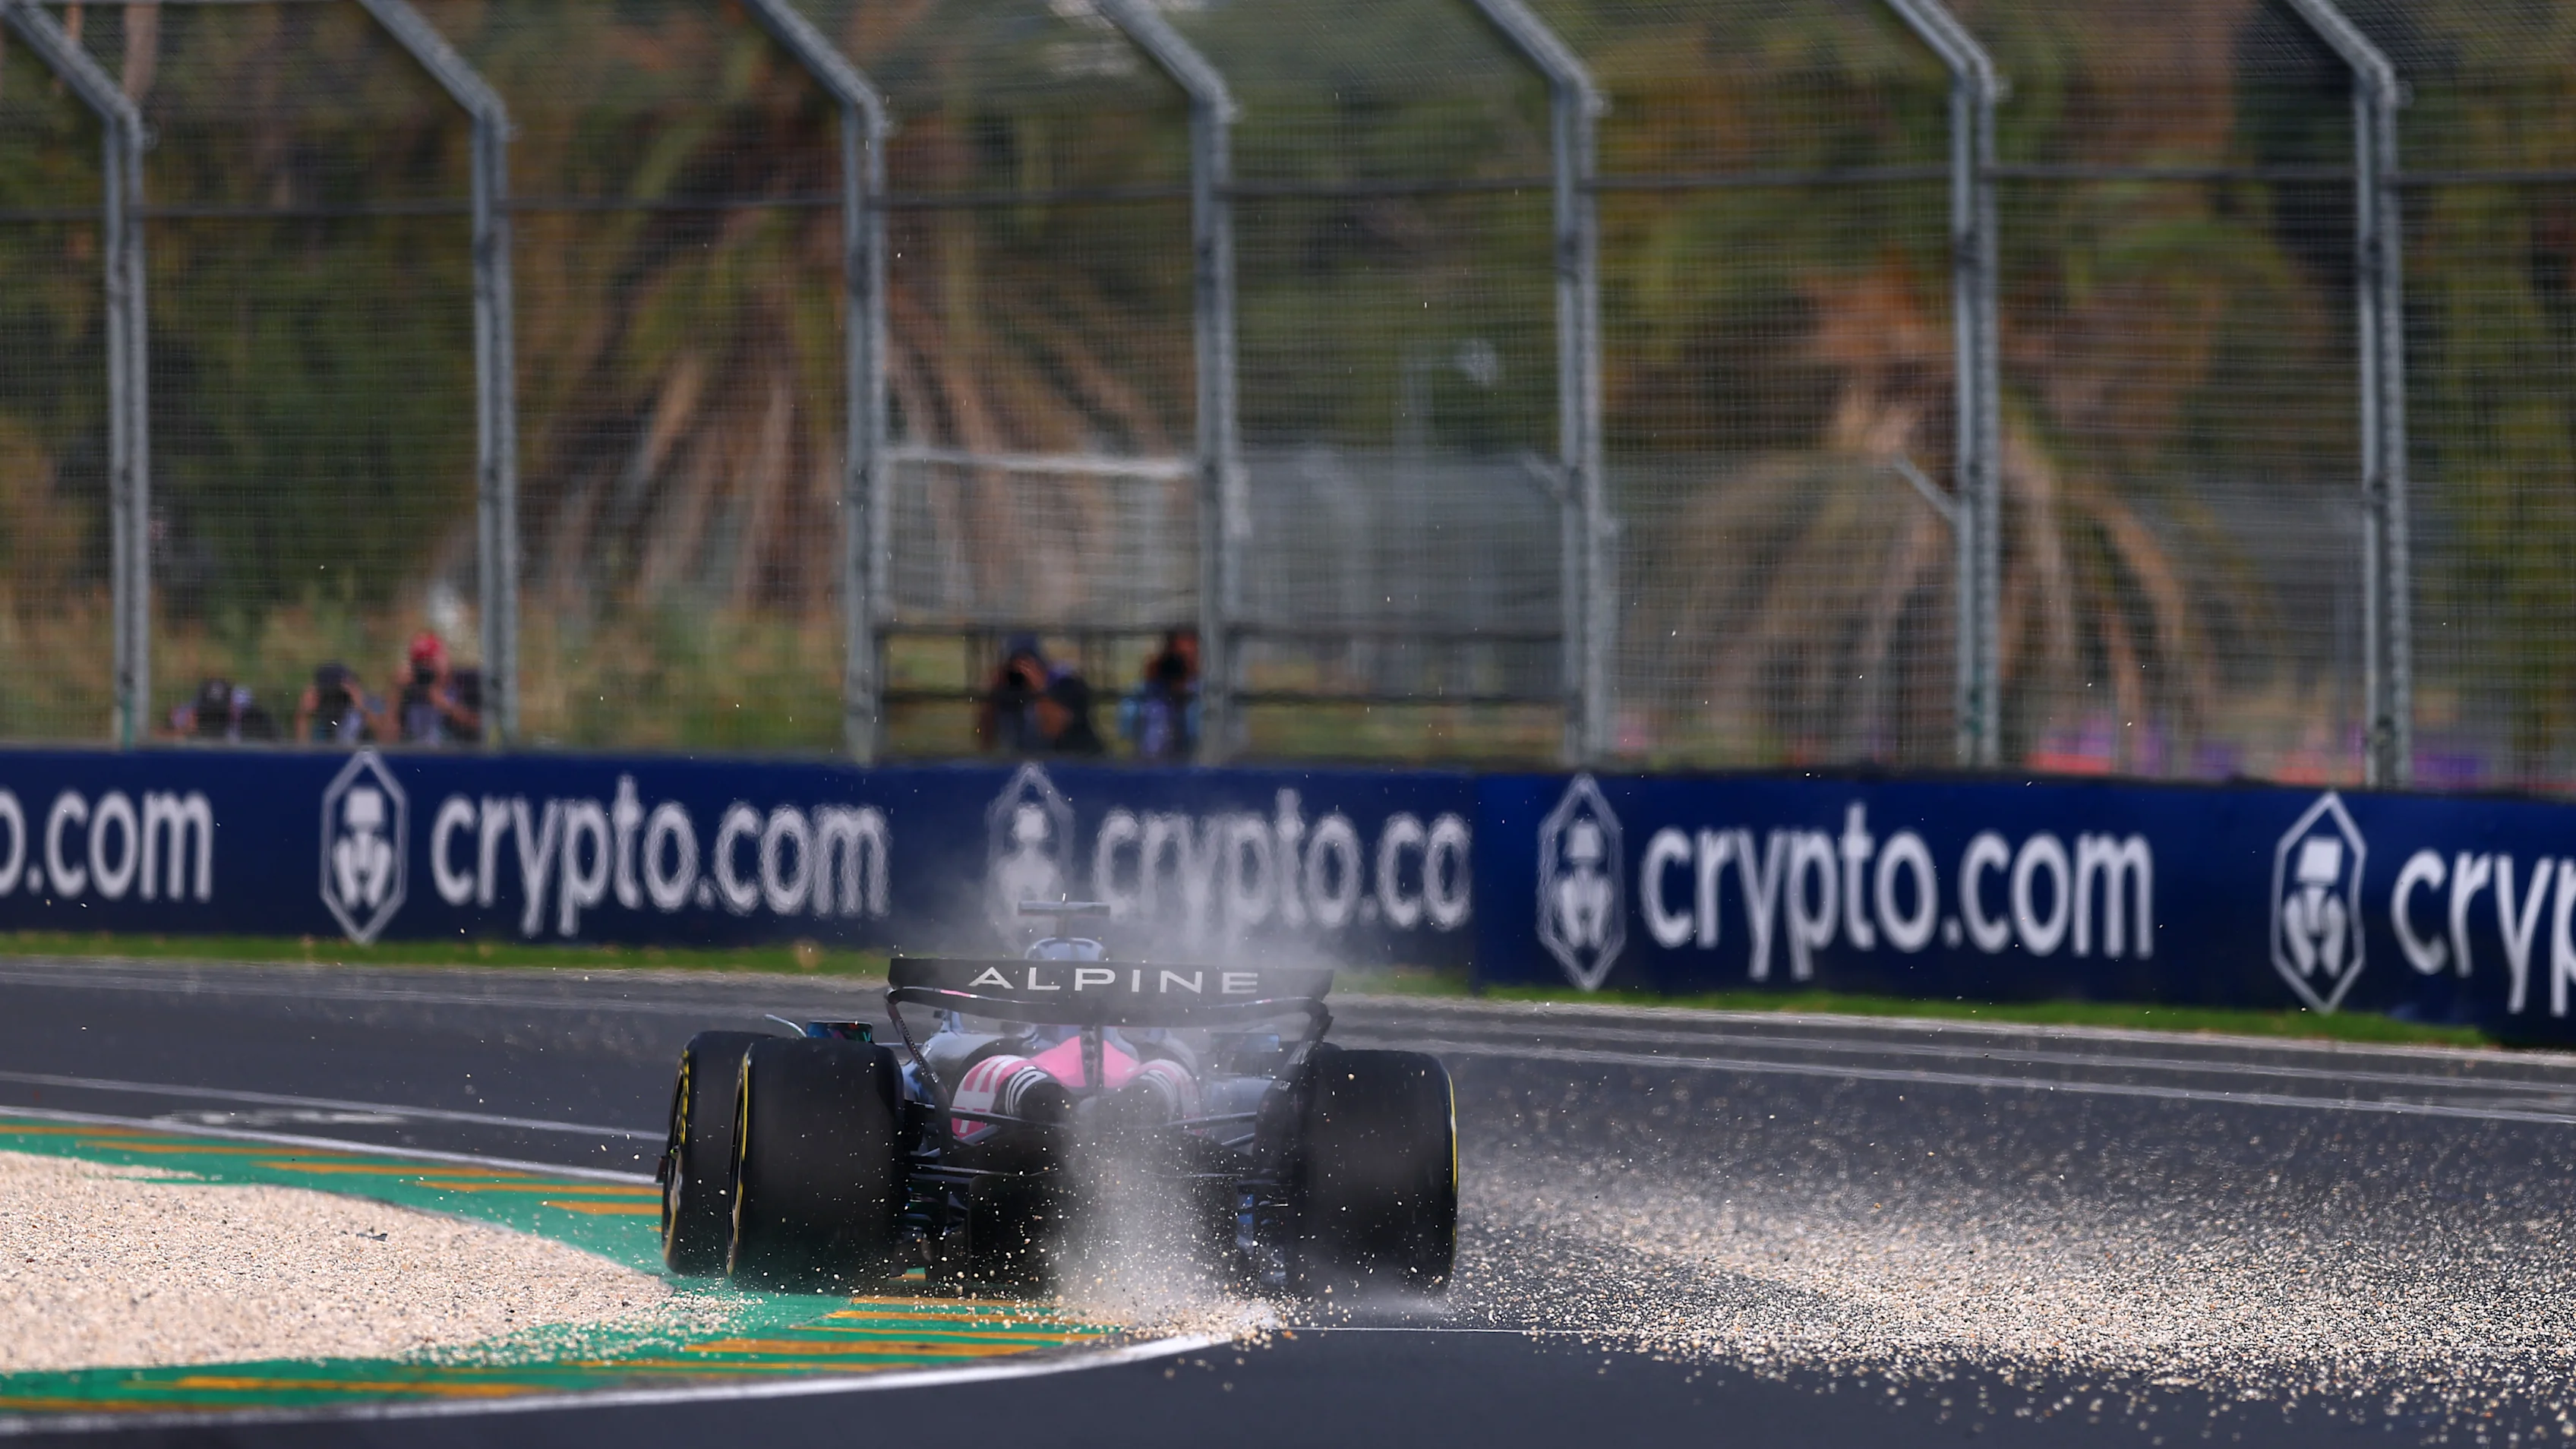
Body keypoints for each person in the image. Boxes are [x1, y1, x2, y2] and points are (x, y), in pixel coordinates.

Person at [1119, 627, 1200, 762]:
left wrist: (1183, 695)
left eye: (1191, 656)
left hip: (1194, 762)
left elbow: (1200, 733)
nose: (1183, 664)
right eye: (1180, 657)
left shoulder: (1206, 693)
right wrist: (1151, 681)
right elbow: (1127, 726)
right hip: (1149, 762)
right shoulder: (1147, 691)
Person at [396, 631, 481, 746]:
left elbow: (485, 727)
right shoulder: (411, 690)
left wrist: (447, 706)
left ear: (445, 658)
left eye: (431, 661)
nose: (427, 667)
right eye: (421, 663)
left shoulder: (467, 681)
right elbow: (387, 739)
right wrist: (396, 691)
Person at [294, 662, 391, 746]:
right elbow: (303, 752)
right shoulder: (321, 714)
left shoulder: (372, 705)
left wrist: (362, 707)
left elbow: (388, 742)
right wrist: (303, 716)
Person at [165, 678, 279, 743]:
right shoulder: (189, 717)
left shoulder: (251, 725)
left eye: (220, 716)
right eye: (208, 716)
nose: (214, 721)